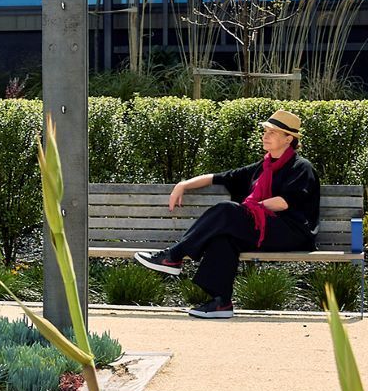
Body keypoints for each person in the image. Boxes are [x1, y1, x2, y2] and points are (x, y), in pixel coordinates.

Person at [133, 107, 321, 318]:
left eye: (272, 132)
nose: (265, 136)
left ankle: (173, 255)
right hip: (263, 230)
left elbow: (284, 202)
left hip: (292, 233)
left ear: (288, 139)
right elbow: (219, 177)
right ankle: (221, 302)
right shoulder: (263, 167)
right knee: (223, 238)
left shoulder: (301, 167)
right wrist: (183, 185)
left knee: (228, 210)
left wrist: (249, 209)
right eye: (265, 131)